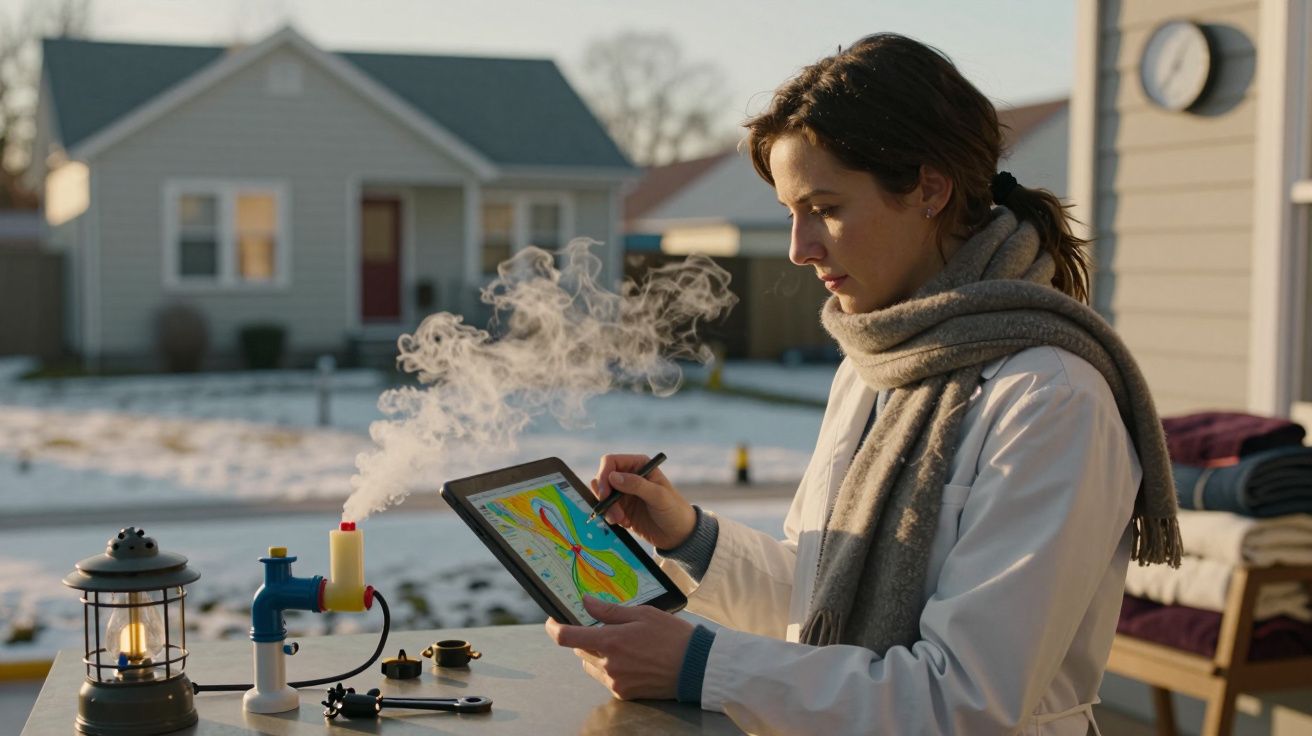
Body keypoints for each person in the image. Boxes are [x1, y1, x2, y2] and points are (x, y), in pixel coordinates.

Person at [545, 33, 1181, 735]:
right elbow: (827, 596)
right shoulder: (876, 366)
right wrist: (692, 538)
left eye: (825, 207)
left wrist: (701, 666)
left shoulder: (1050, 399)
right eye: (792, 211)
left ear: (929, 189)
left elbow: (966, 699)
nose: (798, 246)